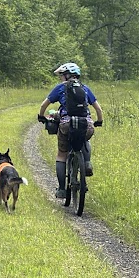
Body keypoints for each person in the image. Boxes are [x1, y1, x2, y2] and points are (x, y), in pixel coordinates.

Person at [36, 62, 104, 205]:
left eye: (62, 75)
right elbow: (98, 109)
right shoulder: (85, 88)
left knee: (62, 154)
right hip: (86, 124)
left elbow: (44, 105)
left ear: (67, 75)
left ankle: (62, 189)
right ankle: (87, 163)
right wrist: (99, 121)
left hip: (67, 124)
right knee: (85, 140)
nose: (61, 78)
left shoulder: (61, 88)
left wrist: (41, 116)